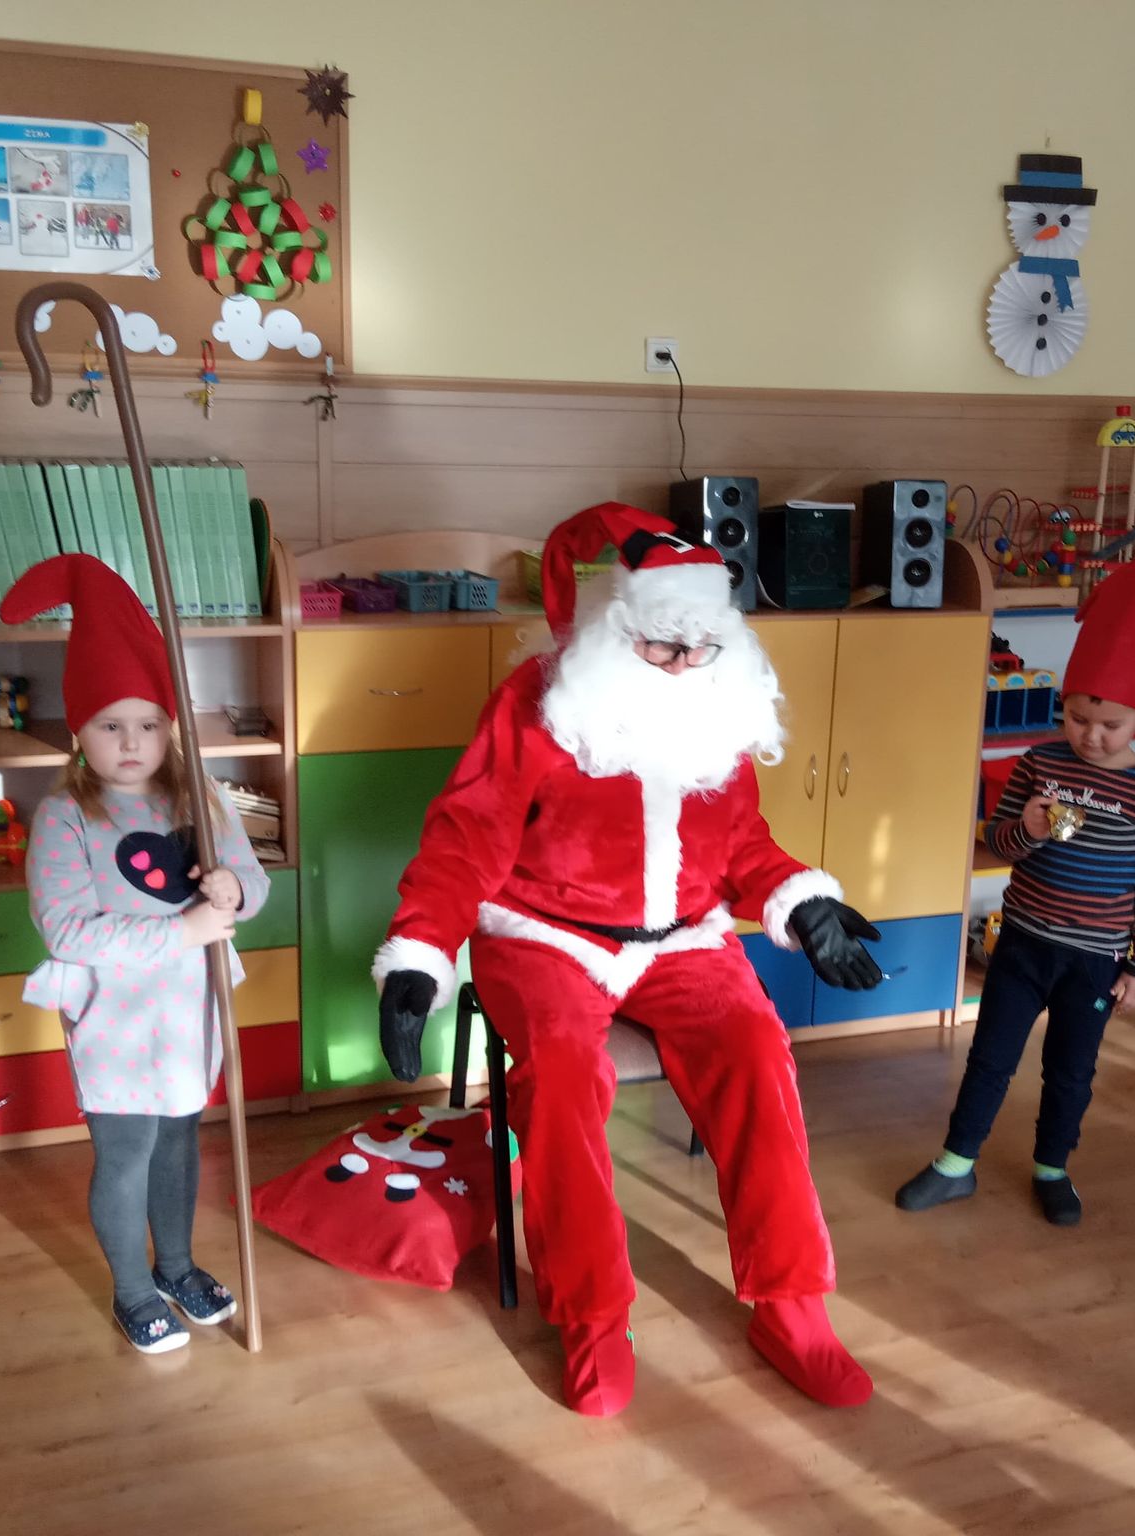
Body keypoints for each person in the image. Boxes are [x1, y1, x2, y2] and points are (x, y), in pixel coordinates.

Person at [373, 502, 884, 1417]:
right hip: (545, 935)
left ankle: (792, 1305)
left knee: (758, 1054)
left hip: (685, 939)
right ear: (615, 631)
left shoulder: (717, 707)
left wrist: (801, 900)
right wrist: (422, 950)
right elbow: (468, 837)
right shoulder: (541, 703)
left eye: (700, 648)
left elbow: (741, 844)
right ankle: (594, 1317)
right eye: (660, 646)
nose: (683, 665)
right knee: (566, 1076)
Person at [5, 554, 271, 1355]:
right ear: (79, 730)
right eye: (110, 725)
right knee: (128, 1152)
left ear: (170, 726)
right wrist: (183, 931)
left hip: (187, 1008)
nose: (131, 742)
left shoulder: (201, 796)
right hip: (114, 1018)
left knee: (181, 1142)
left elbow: (254, 883)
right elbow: (68, 930)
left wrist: (232, 890)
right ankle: (131, 1289)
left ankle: (177, 1266)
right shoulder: (64, 817)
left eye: (148, 724)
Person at [896, 557, 1135, 1226]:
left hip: (1095, 960)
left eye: (1110, 725)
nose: (1091, 736)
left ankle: (1053, 1167)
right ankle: (956, 1163)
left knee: (1070, 1071)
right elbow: (998, 843)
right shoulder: (1038, 763)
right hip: (1022, 944)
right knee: (990, 1058)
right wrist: (1025, 829)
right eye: (1078, 718)